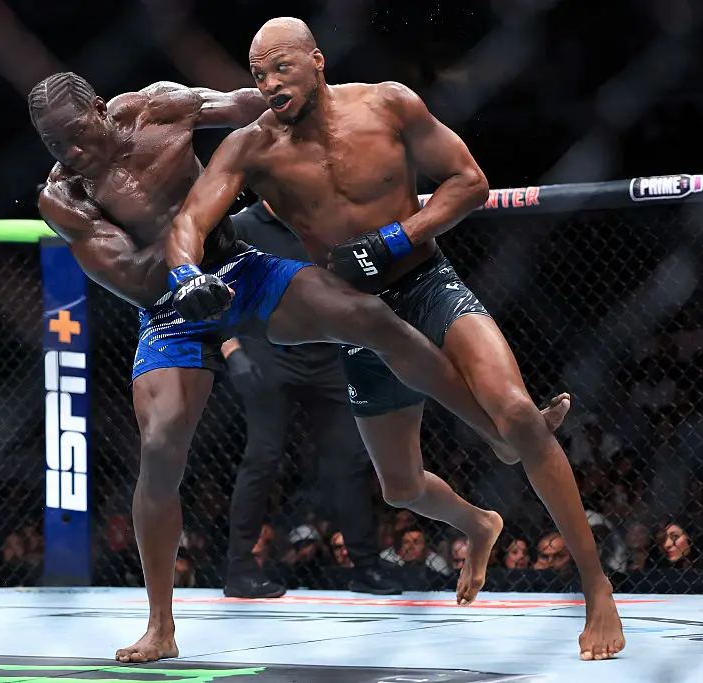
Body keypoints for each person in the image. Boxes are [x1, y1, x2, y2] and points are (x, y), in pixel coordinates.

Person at [31, 72, 555, 664]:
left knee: (370, 317)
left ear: (100, 109)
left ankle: (497, 434)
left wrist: (315, 104)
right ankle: (160, 626)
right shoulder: (63, 196)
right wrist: (184, 272)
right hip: (169, 306)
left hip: (241, 269)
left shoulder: (158, 109)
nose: (71, 154)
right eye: (55, 146)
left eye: (76, 136)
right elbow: (129, 276)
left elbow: (263, 106)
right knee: (159, 446)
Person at [164, 16, 623, 661]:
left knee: (517, 412)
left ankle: (596, 587)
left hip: (426, 281)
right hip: (356, 314)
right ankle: (476, 521)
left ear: (316, 61)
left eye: (280, 67)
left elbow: (470, 182)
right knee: (401, 488)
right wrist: (186, 272)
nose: (268, 82)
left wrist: (398, 237)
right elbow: (189, 217)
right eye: (258, 72)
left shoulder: (389, 103)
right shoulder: (252, 147)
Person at [220, 199, 400, 598]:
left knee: (351, 458)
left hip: (328, 352)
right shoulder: (243, 226)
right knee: (263, 456)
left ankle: (365, 567)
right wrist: (232, 351)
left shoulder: (322, 214)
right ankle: (239, 569)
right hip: (269, 352)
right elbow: (212, 288)